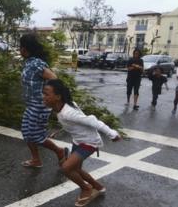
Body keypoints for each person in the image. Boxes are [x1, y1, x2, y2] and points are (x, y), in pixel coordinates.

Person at [42, 79, 121, 207]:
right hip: (78, 140)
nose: (43, 97)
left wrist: (112, 134)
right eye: (43, 93)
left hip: (89, 142)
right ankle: (98, 187)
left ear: (57, 97)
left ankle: (86, 188)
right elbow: (74, 120)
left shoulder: (68, 112)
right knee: (76, 169)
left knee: (66, 168)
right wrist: (59, 130)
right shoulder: (62, 107)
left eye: (46, 94)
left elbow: (92, 121)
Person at [19, 34, 67, 168]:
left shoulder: (37, 64)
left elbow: (55, 79)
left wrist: (52, 99)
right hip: (31, 104)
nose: (19, 50)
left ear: (24, 49)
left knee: (35, 135)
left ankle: (60, 151)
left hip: (40, 105)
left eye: (20, 47)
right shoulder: (29, 62)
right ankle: (36, 160)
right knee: (26, 132)